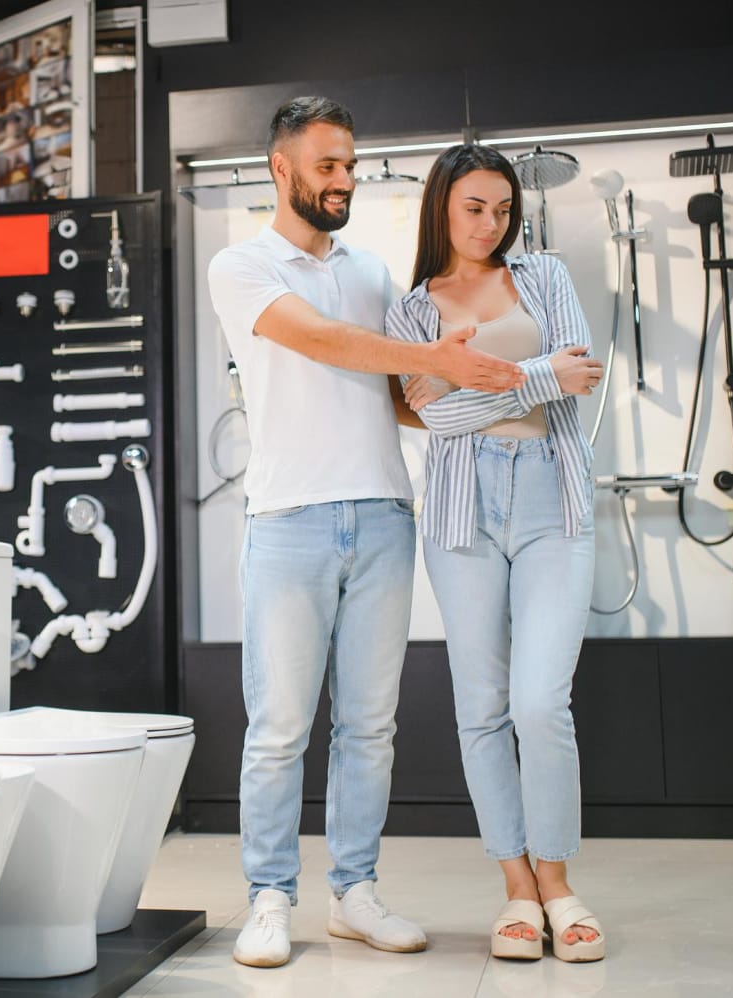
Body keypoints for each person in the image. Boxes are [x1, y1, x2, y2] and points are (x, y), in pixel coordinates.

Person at [206, 97, 526, 970]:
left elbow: (394, 393)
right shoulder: (240, 266)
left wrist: (498, 396)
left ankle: (353, 893)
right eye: (327, 166)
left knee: (370, 728)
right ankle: (270, 898)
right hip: (288, 521)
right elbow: (320, 342)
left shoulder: (372, 273)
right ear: (282, 168)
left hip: (385, 517)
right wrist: (432, 358)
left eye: (350, 163)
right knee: (278, 728)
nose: (344, 179)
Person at [385, 143, 606, 963]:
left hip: (553, 494)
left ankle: (558, 881)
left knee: (542, 703)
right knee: (482, 708)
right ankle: (516, 887)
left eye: (503, 209)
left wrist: (480, 384)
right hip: (460, 509)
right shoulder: (412, 311)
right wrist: (535, 374)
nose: (491, 223)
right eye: (475, 207)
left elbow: (581, 370)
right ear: (442, 205)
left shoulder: (544, 277)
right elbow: (429, 422)